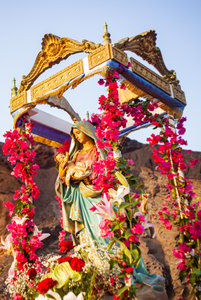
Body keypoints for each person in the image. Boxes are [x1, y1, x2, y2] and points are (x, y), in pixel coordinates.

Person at [55, 120, 167, 299]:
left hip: (98, 198)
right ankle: (97, 272)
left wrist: (89, 177)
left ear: (87, 131)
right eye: (74, 134)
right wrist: (64, 172)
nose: (76, 136)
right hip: (81, 200)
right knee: (87, 236)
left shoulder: (99, 152)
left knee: (103, 233)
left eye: (78, 132)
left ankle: (115, 272)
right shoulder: (75, 155)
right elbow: (64, 179)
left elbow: (106, 172)